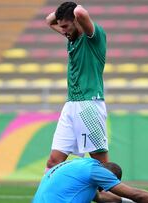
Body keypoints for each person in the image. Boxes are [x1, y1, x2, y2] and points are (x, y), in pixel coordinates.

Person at [44, 1, 109, 170]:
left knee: (101, 165)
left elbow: (80, 12)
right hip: (71, 105)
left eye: (65, 26)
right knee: (53, 162)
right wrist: (63, 14)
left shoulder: (93, 37)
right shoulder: (71, 37)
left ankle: (119, 196)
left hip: (90, 105)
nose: (62, 31)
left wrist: (73, 8)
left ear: (75, 21)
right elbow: (48, 20)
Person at [32, 158, 148, 203]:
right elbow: (136, 194)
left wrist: (128, 202)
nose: (103, 190)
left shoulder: (79, 165)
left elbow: (100, 197)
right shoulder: (96, 172)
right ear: (109, 178)